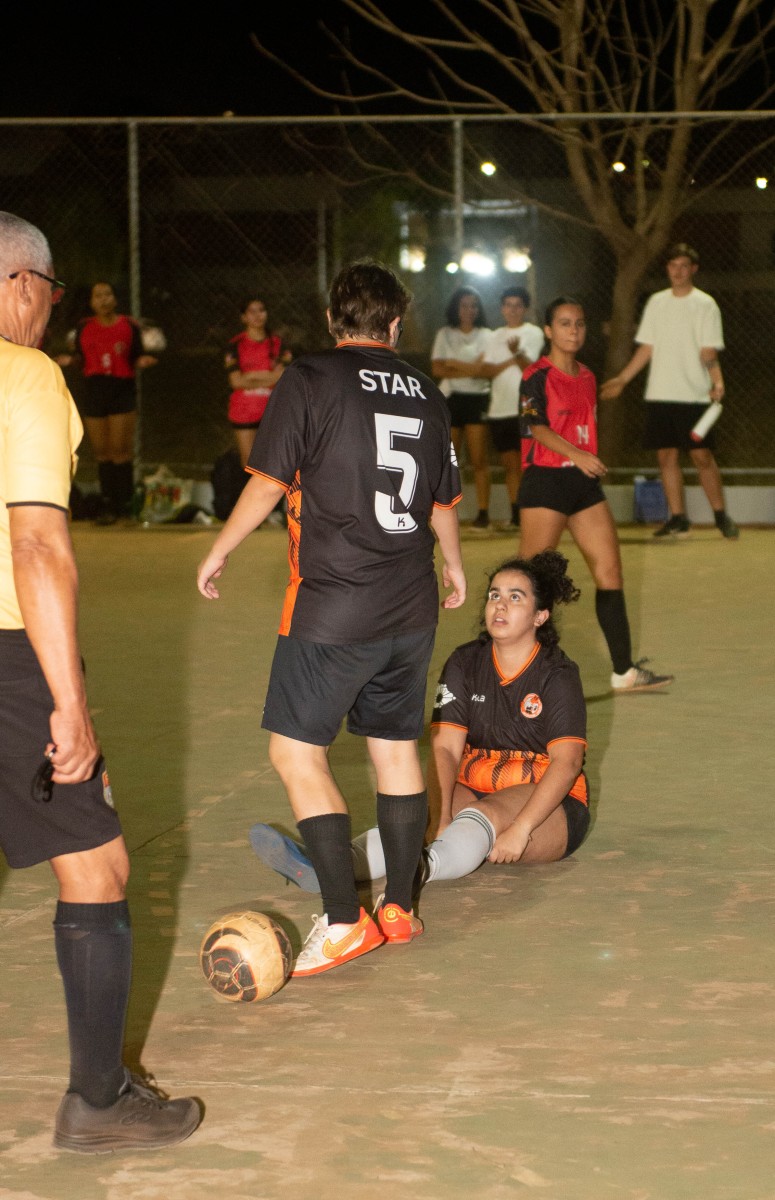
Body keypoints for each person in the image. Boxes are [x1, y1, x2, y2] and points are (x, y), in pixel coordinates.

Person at [197, 259, 466, 976]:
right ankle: (398, 907)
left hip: (333, 605)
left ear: (331, 319)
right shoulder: (426, 390)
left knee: (294, 753)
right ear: (395, 324)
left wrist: (220, 549)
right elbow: (441, 500)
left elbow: (268, 482)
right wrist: (455, 565)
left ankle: (345, 920)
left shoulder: (311, 377)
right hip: (410, 602)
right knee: (393, 749)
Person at [0, 213, 199, 1152]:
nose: (49, 309)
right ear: (18, 283)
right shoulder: (26, 375)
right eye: (48, 290)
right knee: (97, 867)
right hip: (9, 654)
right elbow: (36, 543)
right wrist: (68, 705)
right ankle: (97, 1102)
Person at [250, 550, 590, 895]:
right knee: (414, 818)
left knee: (488, 811)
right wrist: (438, 817)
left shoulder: (558, 674)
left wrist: (521, 829)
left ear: (540, 616)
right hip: (475, 785)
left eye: (515, 597)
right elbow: (445, 749)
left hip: (550, 803)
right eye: (494, 595)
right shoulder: (465, 662)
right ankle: (336, 864)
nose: (500, 605)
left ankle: (416, 870)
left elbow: (567, 763)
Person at [518, 297, 673, 694]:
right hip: (546, 481)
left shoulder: (587, 376)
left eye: (580, 323)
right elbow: (536, 428)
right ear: (548, 330)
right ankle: (513, 671)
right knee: (530, 583)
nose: (574, 330)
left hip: (583, 484)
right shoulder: (535, 375)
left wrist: (581, 459)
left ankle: (624, 671)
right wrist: (576, 454)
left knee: (610, 574)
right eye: (564, 323)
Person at [600, 243, 738, 540]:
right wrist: (622, 379)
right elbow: (647, 348)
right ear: (667, 269)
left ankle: (720, 515)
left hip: (695, 394)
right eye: (673, 265)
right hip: (661, 393)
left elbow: (709, 351)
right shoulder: (657, 303)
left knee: (702, 457)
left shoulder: (705, 304)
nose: (678, 271)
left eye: (684, 266)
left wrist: (717, 381)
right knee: (665, 457)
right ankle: (678, 518)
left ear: (693, 270)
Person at [57, 282, 157, 525]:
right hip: (95, 389)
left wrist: (143, 360)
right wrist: (69, 361)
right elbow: (81, 358)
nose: (103, 300)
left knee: (120, 451)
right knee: (102, 453)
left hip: (121, 389)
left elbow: (137, 355)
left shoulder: (128, 325)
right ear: (91, 302)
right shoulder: (84, 327)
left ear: (115, 299)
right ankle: (108, 506)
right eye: (97, 296)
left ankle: (125, 507)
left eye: (107, 295)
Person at [479, 286, 545, 529]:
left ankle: (532, 512)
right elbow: (486, 370)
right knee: (509, 465)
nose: (512, 310)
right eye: (508, 305)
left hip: (524, 406)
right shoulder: (494, 336)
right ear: (502, 308)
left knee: (528, 464)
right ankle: (516, 514)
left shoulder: (533, 332)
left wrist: (517, 354)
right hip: (499, 407)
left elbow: (531, 368)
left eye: (518, 305)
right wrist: (511, 359)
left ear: (525, 308)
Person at [431, 286, 492, 529]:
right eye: (464, 305)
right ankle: (444, 511)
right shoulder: (445, 333)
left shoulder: (487, 335)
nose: (469, 310)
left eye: (474, 305)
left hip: (477, 398)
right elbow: (438, 369)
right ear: (456, 308)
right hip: (451, 397)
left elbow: (485, 370)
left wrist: (454, 363)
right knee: (449, 459)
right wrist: (471, 368)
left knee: (479, 458)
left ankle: (483, 513)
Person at [225, 295, 291, 470]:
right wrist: (269, 376)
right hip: (244, 411)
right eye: (251, 311)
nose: (257, 315)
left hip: (273, 410)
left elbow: (283, 376)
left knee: (277, 463)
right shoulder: (235, 345)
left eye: (261, 310)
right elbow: (236, 381)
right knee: (250, 465)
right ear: (243, 317)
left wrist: (250, 376)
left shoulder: (278, 343)